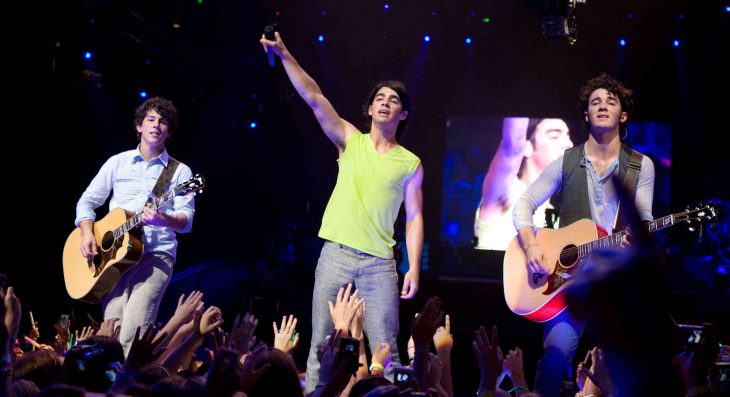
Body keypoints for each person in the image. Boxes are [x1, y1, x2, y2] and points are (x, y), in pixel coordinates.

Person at [260, 31, 424, 392]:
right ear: (368, 109)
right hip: (335, 255)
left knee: (387, 350)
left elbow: (414, 218)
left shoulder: (411, 163)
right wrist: (285, 53)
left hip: (380, 265)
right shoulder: (351, 140)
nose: (384, 102)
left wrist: (412, 265)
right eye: (379, 98)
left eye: (393, 100)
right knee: (322, 342)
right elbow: (314, 97)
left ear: (403, 113)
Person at [512, 73, 655, 397]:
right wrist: (531, 244)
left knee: (622, 371)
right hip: (567, 285)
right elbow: (524, 203)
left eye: (611, 101)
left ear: (624, 114)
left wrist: (640, 239)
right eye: (595, 102)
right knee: (553, 361)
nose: (603, 105)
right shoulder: (565, 161)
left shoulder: (640, 166)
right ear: (586, 115)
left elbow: (643, 220)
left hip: (616, 284)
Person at [75, 96, 195, 356]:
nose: (156, 125)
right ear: (139, 126)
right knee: (112, 330)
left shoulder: (180, 173)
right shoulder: (117, 163)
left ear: (169, 131)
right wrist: (87, 233)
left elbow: (186, 221)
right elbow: (87, 202)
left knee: (133, 332)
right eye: (150, 119)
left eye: (163, 122)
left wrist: (164, 219)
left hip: (155, 255)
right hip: (114, 257)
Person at [475, 117, 573, 250]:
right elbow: (512, 148)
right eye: (554, 136)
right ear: (527, 147)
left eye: (567, 136)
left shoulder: (558, 221)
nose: (569, 144)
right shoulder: (508, 192)